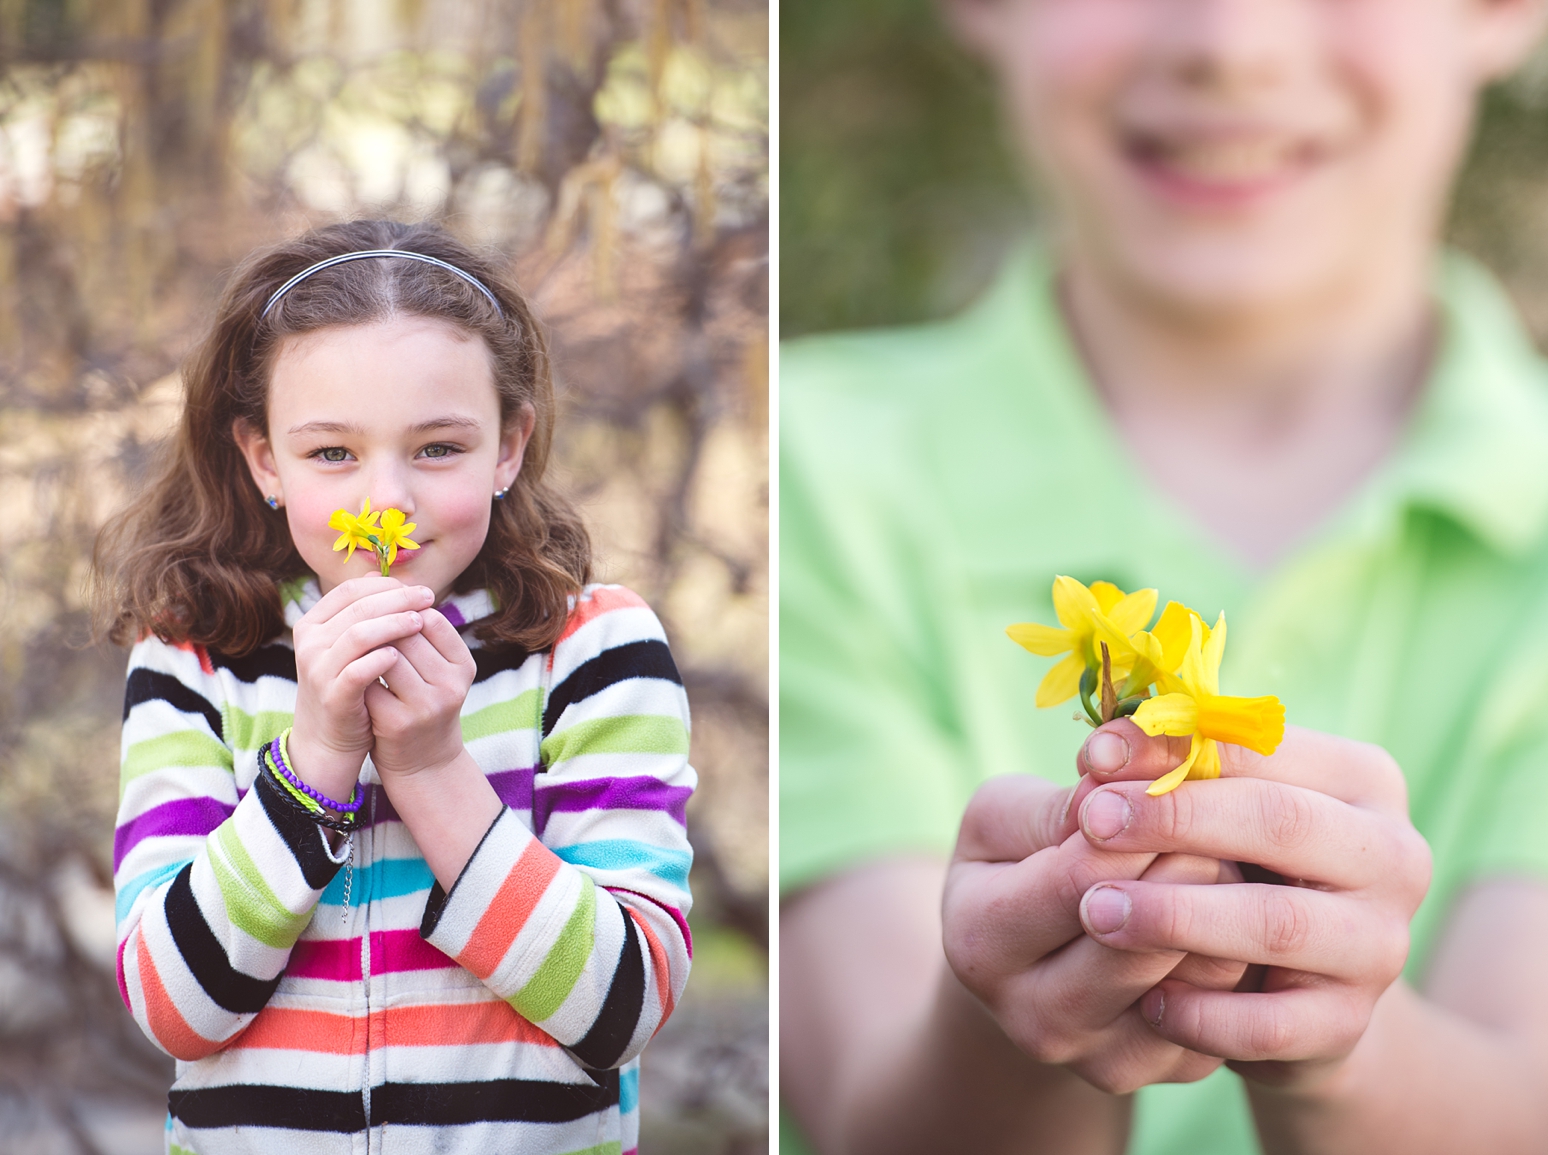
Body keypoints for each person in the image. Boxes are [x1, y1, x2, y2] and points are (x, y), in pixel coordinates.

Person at [780, 1, 1548, 1153]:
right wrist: (1016, 1009)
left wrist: (1334, 1040)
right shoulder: (801, 473)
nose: (1232, 43)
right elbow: (868, 1114)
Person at [98, 219, 694, 1153]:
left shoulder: (592, 646)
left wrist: (429, 766)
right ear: (265, 461)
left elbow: (624, 1007)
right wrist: (316, 760)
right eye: (332, 454)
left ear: (508, 446)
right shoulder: (194, 661)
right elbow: (176, 1010)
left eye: (438, 449)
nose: (385, 503)